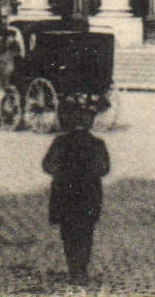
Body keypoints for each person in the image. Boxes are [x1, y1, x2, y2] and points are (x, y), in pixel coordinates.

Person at [42, 99, 111, 287]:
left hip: (65, 195)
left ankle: (74, 269)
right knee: (86, 233)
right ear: (89, 123)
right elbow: (104, 169)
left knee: (68, 233)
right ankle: (82, 269)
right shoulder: (97, 143)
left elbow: (47, 165)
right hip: (89, 196)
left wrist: (64, 173)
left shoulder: (60, 142)